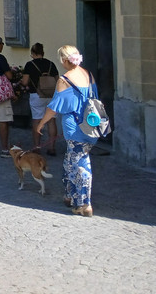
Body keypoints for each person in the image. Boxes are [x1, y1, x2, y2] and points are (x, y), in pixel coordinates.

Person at [36, 45, 100, 216]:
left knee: (81, 164)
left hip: (75, 128)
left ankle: (84, 203)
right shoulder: (89, 75)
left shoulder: (64, 80)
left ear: (65, 60)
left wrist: (41, 123)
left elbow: (53, 108)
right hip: (91, 124)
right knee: (70, 161)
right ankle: (69, 195)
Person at [20, 42, 59, 155]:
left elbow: (25, 82)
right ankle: (52, 147)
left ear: (32, 53)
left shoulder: (30, 65)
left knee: (37, 120)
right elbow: (58, 80)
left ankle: (37, 147)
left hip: (36, 94)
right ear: (43, 52)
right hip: (51, 95)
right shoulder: (51, 64)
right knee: (51, 121)